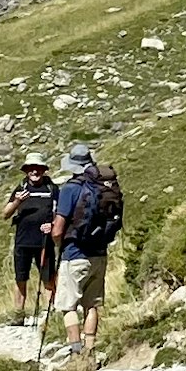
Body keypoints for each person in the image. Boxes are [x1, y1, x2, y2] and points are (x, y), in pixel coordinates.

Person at [52, 142, 123, 359]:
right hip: (99, 253)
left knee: (69, 305)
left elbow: (58, 229)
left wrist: (58, 244)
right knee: (91, 305)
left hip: (74, 254)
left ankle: (76, 353)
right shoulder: (103, 187)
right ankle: (90, 351)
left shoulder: (70, 189)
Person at [2, 159, 58, 321]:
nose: (35, 172)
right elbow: (5, 214)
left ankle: (51, 312)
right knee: (21, 278)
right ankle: (19, 314)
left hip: (44, 241)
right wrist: (17, 201)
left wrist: (52, 224)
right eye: (31, 169)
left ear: (43, 170)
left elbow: (61, 213)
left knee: (48, 278)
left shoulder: (52, 189)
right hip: (23, 241)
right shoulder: (21, 188)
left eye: (38, 168)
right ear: (26, 171)